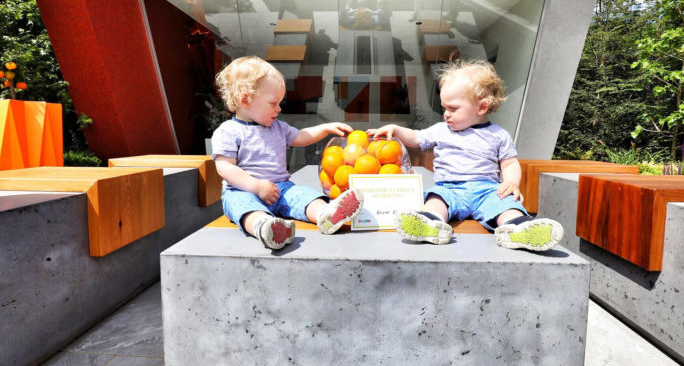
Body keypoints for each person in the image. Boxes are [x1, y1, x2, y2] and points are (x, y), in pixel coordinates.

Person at [367, 60, 563, 251]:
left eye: (453, 108)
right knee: (435, 201)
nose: (446, 114)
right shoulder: (441, 129)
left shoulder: (498, 134)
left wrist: (511, 183)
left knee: (506, 205)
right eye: (444, 107)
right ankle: (430, 225)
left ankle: (518, 229)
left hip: (487, 191)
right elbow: (417, 138)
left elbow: (509, 163)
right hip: (449, 188)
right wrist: (396, 129)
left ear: (482, 107)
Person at [211, 56, 364, 250]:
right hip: (244, 190)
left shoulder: (278, 127)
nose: (279, 109)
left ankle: (327, 215)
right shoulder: (228, 131)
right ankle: (266, 227)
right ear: (245, 100)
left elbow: (301, 136)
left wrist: (325, 128)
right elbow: (225, 168)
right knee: (245, 208)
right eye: (273, 103)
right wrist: (257, 187)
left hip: (282, 189)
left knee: (304, 195)